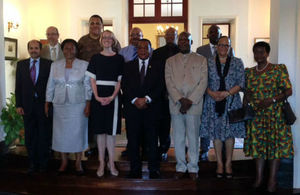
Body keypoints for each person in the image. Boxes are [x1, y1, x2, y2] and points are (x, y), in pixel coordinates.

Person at [244, 41, 293, 192]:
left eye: (261, 52)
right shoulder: (249, 72)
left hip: (274, 116)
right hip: (257, 117)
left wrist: (271, 100)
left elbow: (288, 91)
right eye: (256, 52)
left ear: (267, 53)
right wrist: (245, 107)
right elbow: (247, 93)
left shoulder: (278, 69)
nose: (258, 55)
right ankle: (259, 178)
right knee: (258, 148)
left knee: (274, 148)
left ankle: (272, 180)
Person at [199, 36, 245, 179]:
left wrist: (227, 93)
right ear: (217, 46)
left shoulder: (237, 62)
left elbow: (241, 82)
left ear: (230, 47)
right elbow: (202, 81)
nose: (223, 47)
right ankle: (219, 163)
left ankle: (228, 163)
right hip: (213, 101)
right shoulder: (208, 63)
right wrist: (212, 93)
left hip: (231, 102)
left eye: (226, 45)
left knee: (229, 134)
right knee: (216, 133)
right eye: (221, 45)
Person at [45, 39, 91, 175]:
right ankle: (64, 161)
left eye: (72, 48)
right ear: (62, 50)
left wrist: (88, 103)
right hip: (60, 104)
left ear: (76, 50)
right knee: (61, 134)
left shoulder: (84, 65)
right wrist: (47, 102)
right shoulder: (55, 65)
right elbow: (50, 84)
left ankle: (78, 161)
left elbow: (88, 86)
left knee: (78, 133)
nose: (69, 51)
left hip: (78, 103)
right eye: (66, 48)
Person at [165, 32, 208, 180]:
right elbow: (168, 82)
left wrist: (189, 100)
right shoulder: (170, 61)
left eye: (187, 40)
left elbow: (203, 82)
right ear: (178, 42)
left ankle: (193, 167)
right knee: (178, 137)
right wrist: (179, 99)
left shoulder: (201, 60)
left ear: (191, 42)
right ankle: (181, 166)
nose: (183, 42)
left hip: (194, 105)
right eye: (181, 39)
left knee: (193, 137)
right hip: (176, 105)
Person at [122, 39, 163, 179]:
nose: (143, 50)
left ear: (151, 49)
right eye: (140, 48)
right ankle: (135, 170)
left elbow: (161, 86)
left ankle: (153, 169)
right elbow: (125, 87)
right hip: (132, 110)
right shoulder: (128, 66)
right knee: (133, 141)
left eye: (146, 47)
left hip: (152, 109)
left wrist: (146, 99)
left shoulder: (158, 66)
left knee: (152, 141)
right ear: (136, 50)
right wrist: (135, 100)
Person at [85, 30, 124, 177]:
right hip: (98, 97)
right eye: (105, 37)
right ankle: (101, 162)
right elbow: (92, 80)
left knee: (111, 132)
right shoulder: (95, 58)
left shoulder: (119, 59)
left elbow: (119, 81)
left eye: (110, 37)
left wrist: (113, 96)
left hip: (113, 97)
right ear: (101, 40)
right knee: (100, 132)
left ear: (113, 40)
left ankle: (111, 162)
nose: (107, 39)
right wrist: (96, 96)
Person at [196, 24, 234, 161]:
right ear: (207, 35)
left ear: (219, 34)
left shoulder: (229, 49)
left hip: (224, 93)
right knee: (205, 122)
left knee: (223, 122)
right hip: (206, 92)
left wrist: (226, 92)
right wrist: (208, 91)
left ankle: (223, 150)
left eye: (216, 32)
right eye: (211, 32)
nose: (214, 34)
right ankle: (204, 149)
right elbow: (199, 71)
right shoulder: (200, 50)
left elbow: (231, 68)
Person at [15, 40, 52, 174]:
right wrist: (18, 104)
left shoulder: (49, 65)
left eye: (36, 48)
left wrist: (50, 103)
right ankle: (32, 163)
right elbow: (18, 86)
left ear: (40, 49)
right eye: (31, 48)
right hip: (27, 106)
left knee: (43, 135)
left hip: (43, 106)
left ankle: (43, 163)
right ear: (28, 49)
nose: (34, 50)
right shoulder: (21, 65)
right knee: (30, 136)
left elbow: (51, 85)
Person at [152, 27, 180, 161]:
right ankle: (163, 148)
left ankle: (182, 148)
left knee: (180, 124)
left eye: (172, 35)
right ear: (164, 36)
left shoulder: (182, 51)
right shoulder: (157, 53)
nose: (170, 37)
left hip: (180, 94)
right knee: (163, 123)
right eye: (167, 35)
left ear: (176, 36)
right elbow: (155, 75)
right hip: (162, 95)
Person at [119, 27, 144, 158]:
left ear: (142, 36)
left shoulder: (148, 51)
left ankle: (144, 147)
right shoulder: (122, 52)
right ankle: (131, 147)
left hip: (145, 94)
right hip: (129, 93)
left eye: (138, 35)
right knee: (130, 124)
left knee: (145, 124)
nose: (135, 37)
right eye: (133, 35)